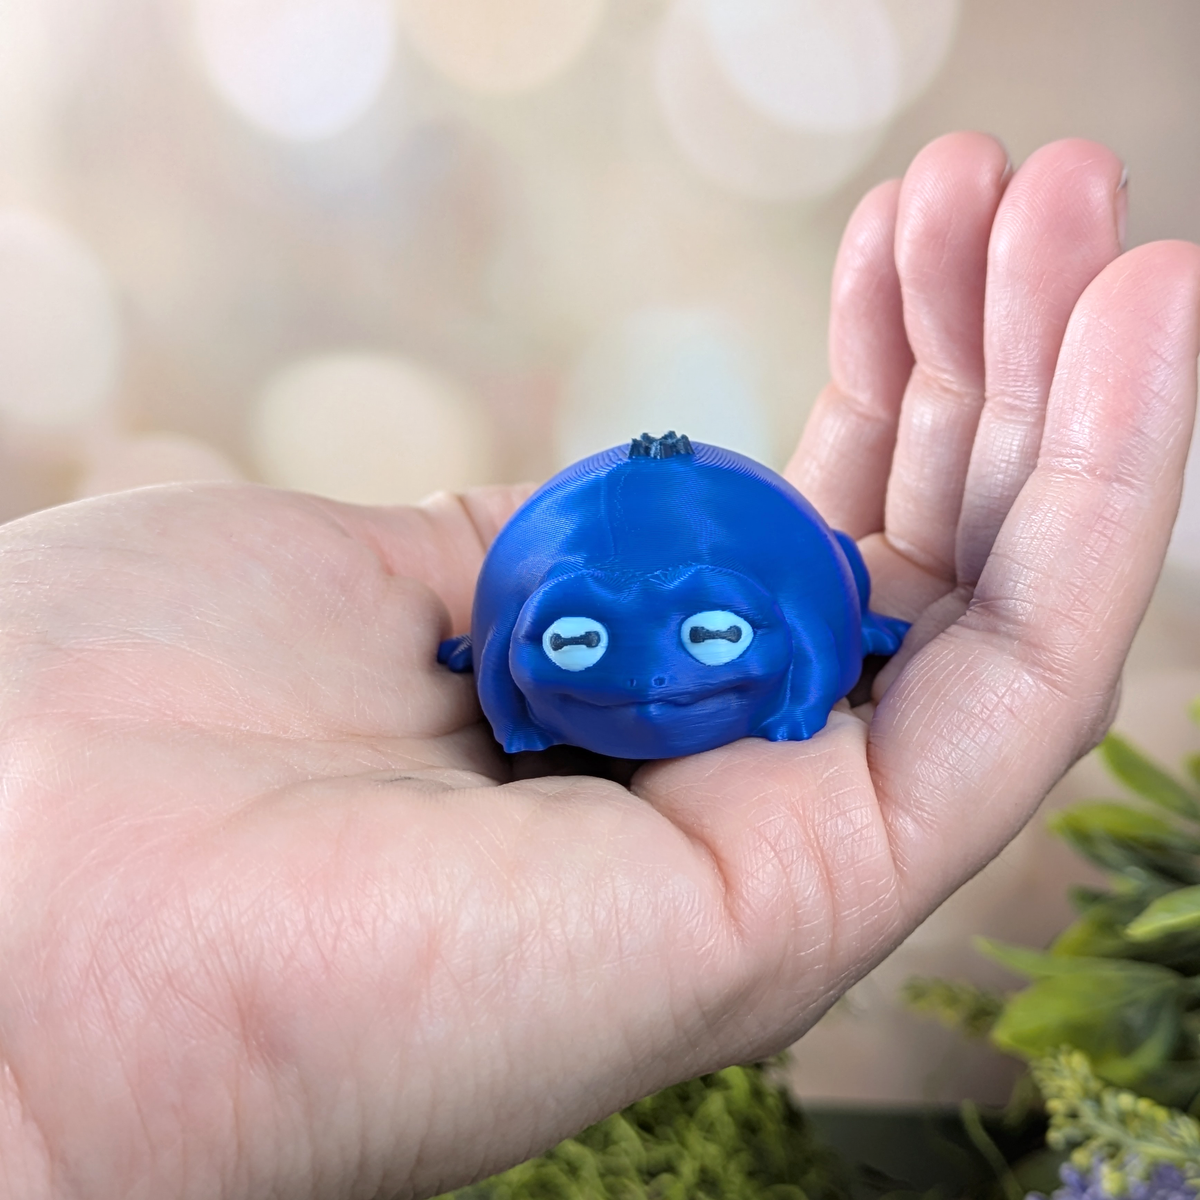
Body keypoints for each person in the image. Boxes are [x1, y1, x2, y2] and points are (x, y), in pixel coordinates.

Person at [0, 132, 1195, 1200]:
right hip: (556, 582)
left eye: (710, 639)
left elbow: (823, 597)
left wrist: (819, 671)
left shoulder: (784, 598)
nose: (657, 677)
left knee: (824, 583)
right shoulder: (524, 627)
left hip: (773, 557)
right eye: (577, 642)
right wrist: (510, 687)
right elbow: (504, 633)